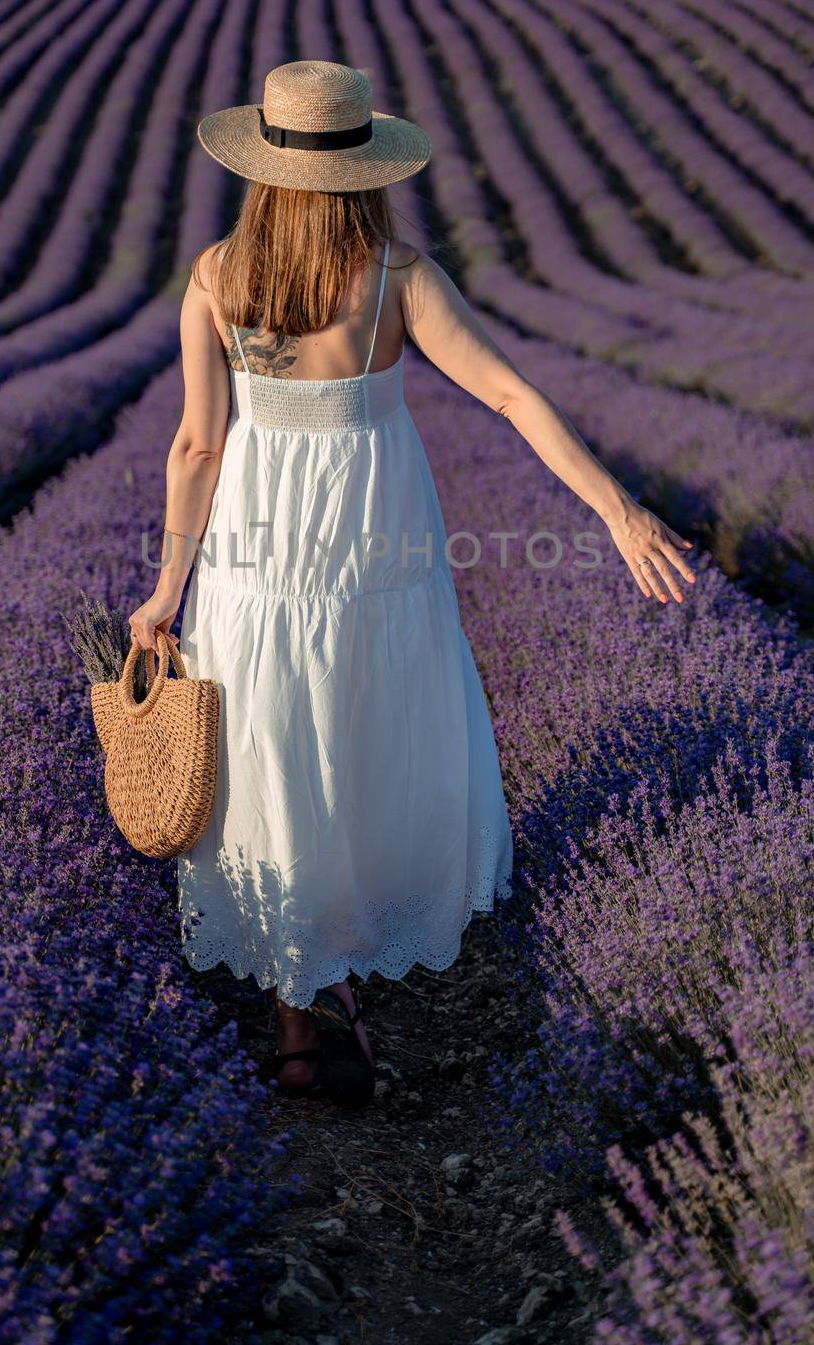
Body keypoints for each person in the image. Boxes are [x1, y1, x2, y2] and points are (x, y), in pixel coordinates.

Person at [128, 60, 695, 1106]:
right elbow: (511, 396)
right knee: (366, 724)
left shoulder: (216, 276)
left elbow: (197, 446)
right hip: (372, 536)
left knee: (264, 730)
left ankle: (298, 1012)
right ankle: (341, 960)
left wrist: (169, 585)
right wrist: (616, 509)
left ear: (260, 166)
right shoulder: (395, 274)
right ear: (364, 168)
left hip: (255, 543)